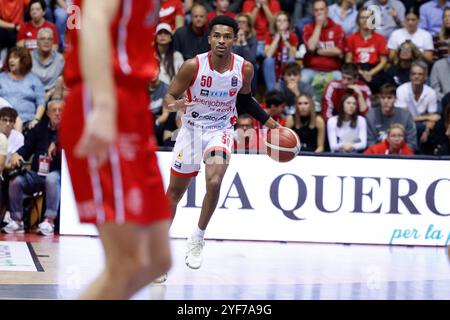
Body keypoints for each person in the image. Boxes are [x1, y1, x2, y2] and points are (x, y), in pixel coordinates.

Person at [60, 0, 172, 299]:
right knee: (127, 262)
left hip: (134, 103)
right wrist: (105, 104)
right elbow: (93, 21)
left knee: (157, 259)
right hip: (105, 95)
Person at [163, 15, 279, 275]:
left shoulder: (244, 68)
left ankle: (197, 237)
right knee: (174, 193)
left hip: (221, 129)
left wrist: (270, 122)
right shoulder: (193, 66)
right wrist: (175, 105)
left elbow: (246, 100)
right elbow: (169, 95)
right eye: (217, 36)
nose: (222, 41)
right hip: (191, 132)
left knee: (214, 182)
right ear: (210, 39)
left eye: (227, 36)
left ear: (234, 40)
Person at [3, 100, 63, 235]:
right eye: (54, 110)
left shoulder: (70, 128)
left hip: (58, 175)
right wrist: (17, 154)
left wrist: (57, 143)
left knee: (51, 178)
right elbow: (27, 148)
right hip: (37, 174)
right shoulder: (39, 128)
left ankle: (49, 221)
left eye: (61, 110)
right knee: (16, 179)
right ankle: (16, 221)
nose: (58, 113)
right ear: (47, 113)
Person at [0, 46, 45, 133]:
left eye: (15, 57)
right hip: (4, 122)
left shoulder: (34, 80)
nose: (11, 60)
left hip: (28, 123)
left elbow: (41, 103)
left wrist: (36, 119)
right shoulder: (1, 78)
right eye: (10, 57)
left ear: (24, 60)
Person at [366, 83, 417, 152]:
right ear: (379, 98)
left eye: (389, 98)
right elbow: (370, 142)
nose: (386, 101)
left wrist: (397, 153)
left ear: (395, 98)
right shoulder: (370, 116)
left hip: (401, 156)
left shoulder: (406, 116)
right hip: (379, 156)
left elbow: (412, 143)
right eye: (383, 98)